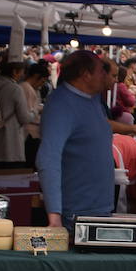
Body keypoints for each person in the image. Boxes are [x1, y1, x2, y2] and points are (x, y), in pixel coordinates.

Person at [38, 51, 116, 227]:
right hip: (75, 214)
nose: (105, 75)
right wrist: (54, 215)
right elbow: (48, 158)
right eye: (101, 70)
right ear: (85, 74)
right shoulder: (61, 105)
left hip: (98, 209)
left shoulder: (93, 99)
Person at [0, 61, 33, 168]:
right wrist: (33, 113)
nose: (23, 75)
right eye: (22, 72)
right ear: (15, 72)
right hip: (9, 141)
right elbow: (24, 118)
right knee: (9, 177)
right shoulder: (15, 89)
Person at [20, 62, 50, 168]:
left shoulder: (30, 89)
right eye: (42, 81)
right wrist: (39, 110)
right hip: (29, 134)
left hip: (33, 133)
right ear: (36, 76)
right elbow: (28, 113)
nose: (42, 85)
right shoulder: (26, 88)